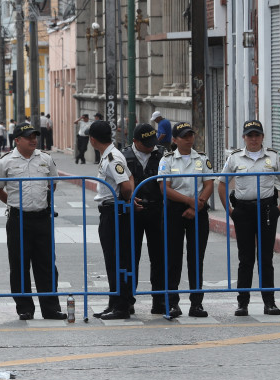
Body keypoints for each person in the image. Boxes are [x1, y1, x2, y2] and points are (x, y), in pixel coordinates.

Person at [0, 124, 66, 321]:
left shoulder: (45, 158)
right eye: (28, 137)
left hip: (42, 218)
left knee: (46, 265)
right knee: (19, 265)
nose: (33, 140)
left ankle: (51, 308)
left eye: (35, 136)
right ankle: (24, 308)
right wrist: (13, 202)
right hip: (18, 219)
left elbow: (53, 183)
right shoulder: (5, 162)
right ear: (17, 140)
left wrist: (42, 200)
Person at [218, 119, 280, 316]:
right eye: (250, 135)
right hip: (243, 211)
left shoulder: (273, 157)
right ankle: (243, 303)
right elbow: (222, 183)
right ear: (244, 137)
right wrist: (229, 211)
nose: (254, 139)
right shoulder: (234, 158)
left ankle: (269, 302)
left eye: (257, 135)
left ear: (262, 137)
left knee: (266, 258)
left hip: (267, 210)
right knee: (246, 258)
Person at [158, 122, 214, 317]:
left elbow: (208, 184)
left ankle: (196, 303)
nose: (189, 139)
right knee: (173, 259)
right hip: (175, 210)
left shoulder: (202, 158)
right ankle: (172, 303)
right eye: (184, 136)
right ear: (174, 140)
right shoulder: (168, 160)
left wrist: (196, 205)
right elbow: (165, 188)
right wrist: (189, 202)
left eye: (191, 135)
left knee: (196, 258)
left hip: (197, 210)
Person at [123, 123, 177, 317]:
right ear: (135, 141)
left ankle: (160, 300)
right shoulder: (124, 156)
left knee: (160, 256)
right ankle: (128, 299)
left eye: (152, 143)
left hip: (157, 210)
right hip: (133, 212)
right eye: (146, 143)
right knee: (130, 257)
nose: (151, 147)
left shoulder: (163, 154)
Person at [88, 120, 135, 320]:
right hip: (111, 211)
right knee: (112, 260)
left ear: (92, 139)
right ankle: (114, 301)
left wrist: (126, 199)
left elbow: (126, 185)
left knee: (118, 260)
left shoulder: (112, 158)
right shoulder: (111, 155)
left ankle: (122, 305)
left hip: (114, 212)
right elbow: (130, 178)